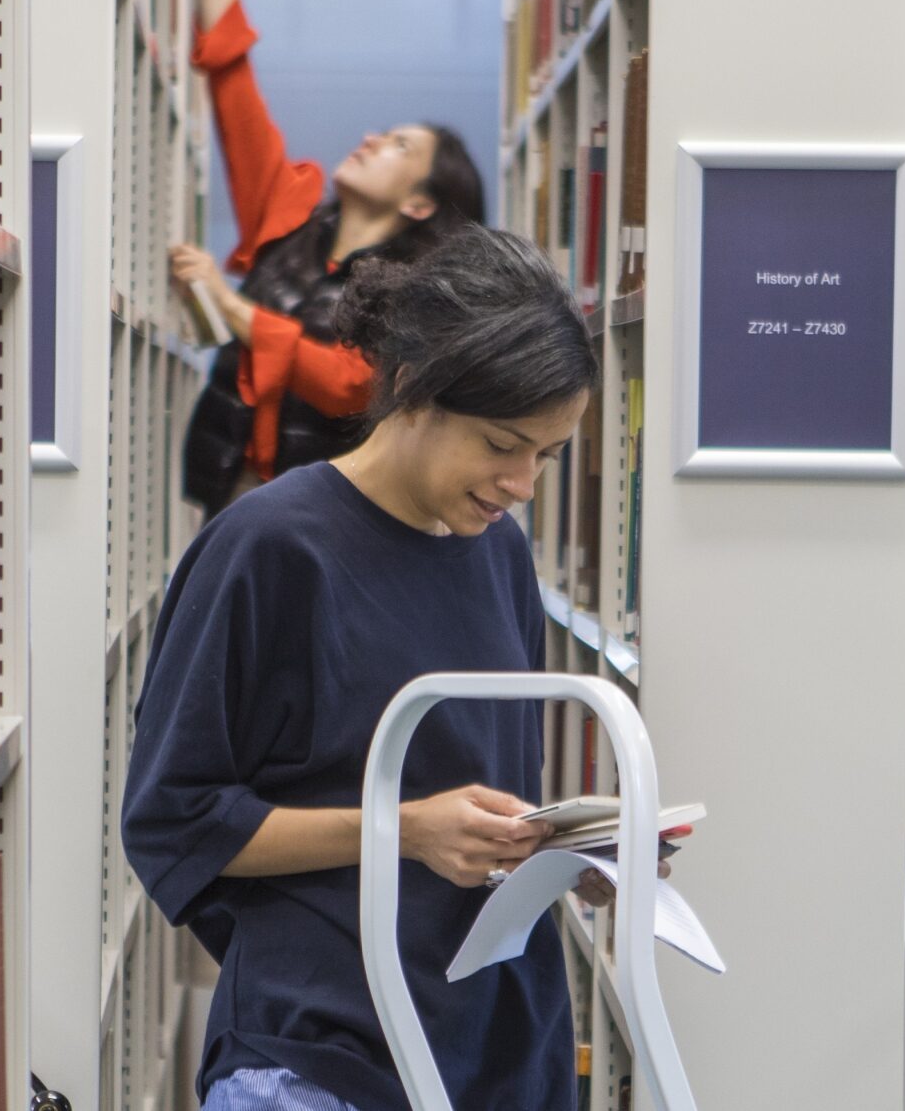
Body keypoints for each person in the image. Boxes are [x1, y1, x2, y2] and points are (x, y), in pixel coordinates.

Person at [123, 224, 598, 1111]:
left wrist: (568, 853)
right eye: (502, 444)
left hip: (497, 1047)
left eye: (548, 454)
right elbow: (172, 821)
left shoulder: (500, 556)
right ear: (413, 388)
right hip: (320, 1051)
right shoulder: (268, 547)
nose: (524, 483)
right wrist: (404, 829)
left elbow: (491, 793)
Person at [176, 0, 488, 516]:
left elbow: (352, 384)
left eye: (399, 145)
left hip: (330, 523)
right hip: (232, 498)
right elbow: (232, 80)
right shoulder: (285, 213)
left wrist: (230, 308)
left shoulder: (413, 295)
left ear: (419, 200)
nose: (372, 138)